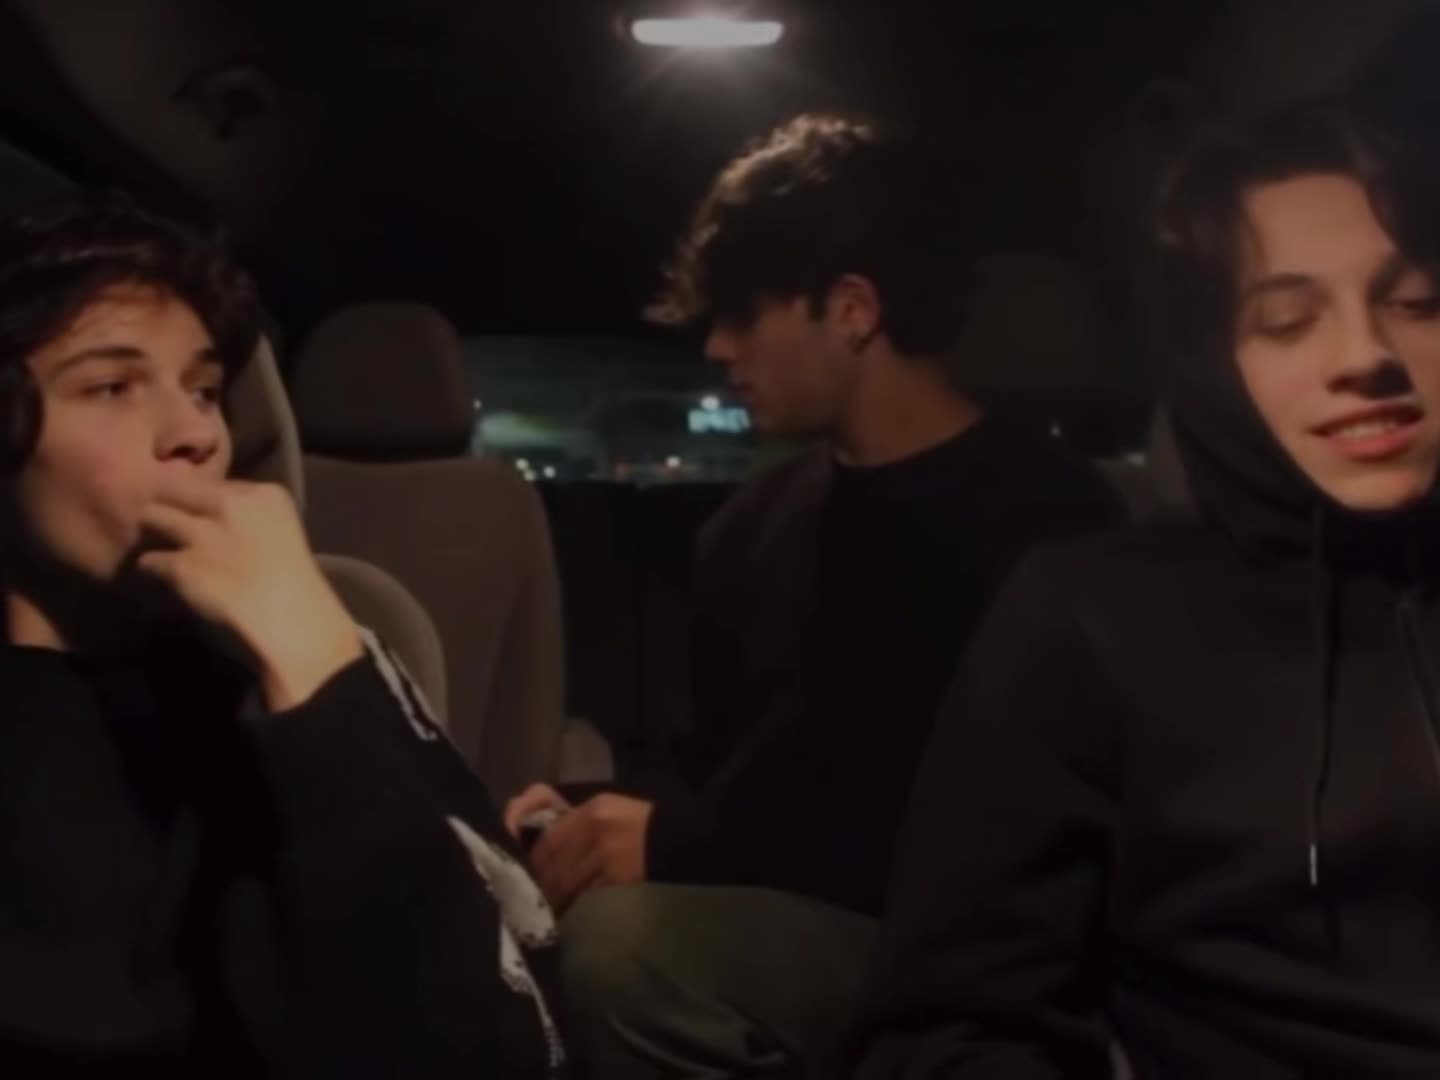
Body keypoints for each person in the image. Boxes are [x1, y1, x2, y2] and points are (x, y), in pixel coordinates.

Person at [505, 113, 1124, 1077]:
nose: (718, 348)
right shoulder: (750, 526)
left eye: (745, 316)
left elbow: (986, 834)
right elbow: (726, 775)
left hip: (970, 950)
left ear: (852, 310)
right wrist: (591, 815)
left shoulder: (1053, 523)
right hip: (799, 917)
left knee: (626, 949)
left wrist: (676, 844)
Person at [855, 97, 1440, 1078]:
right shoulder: (1093, 619)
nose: (1367, 356)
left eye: (1416, 302)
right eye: (1287, 321)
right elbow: (950, 1027)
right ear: (1210, 360)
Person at [0, 198, 567, 1077]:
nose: (198, 433)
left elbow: (493, 1032)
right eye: (111, 387)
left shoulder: (300, 652)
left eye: (203, 391)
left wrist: (315, 667)